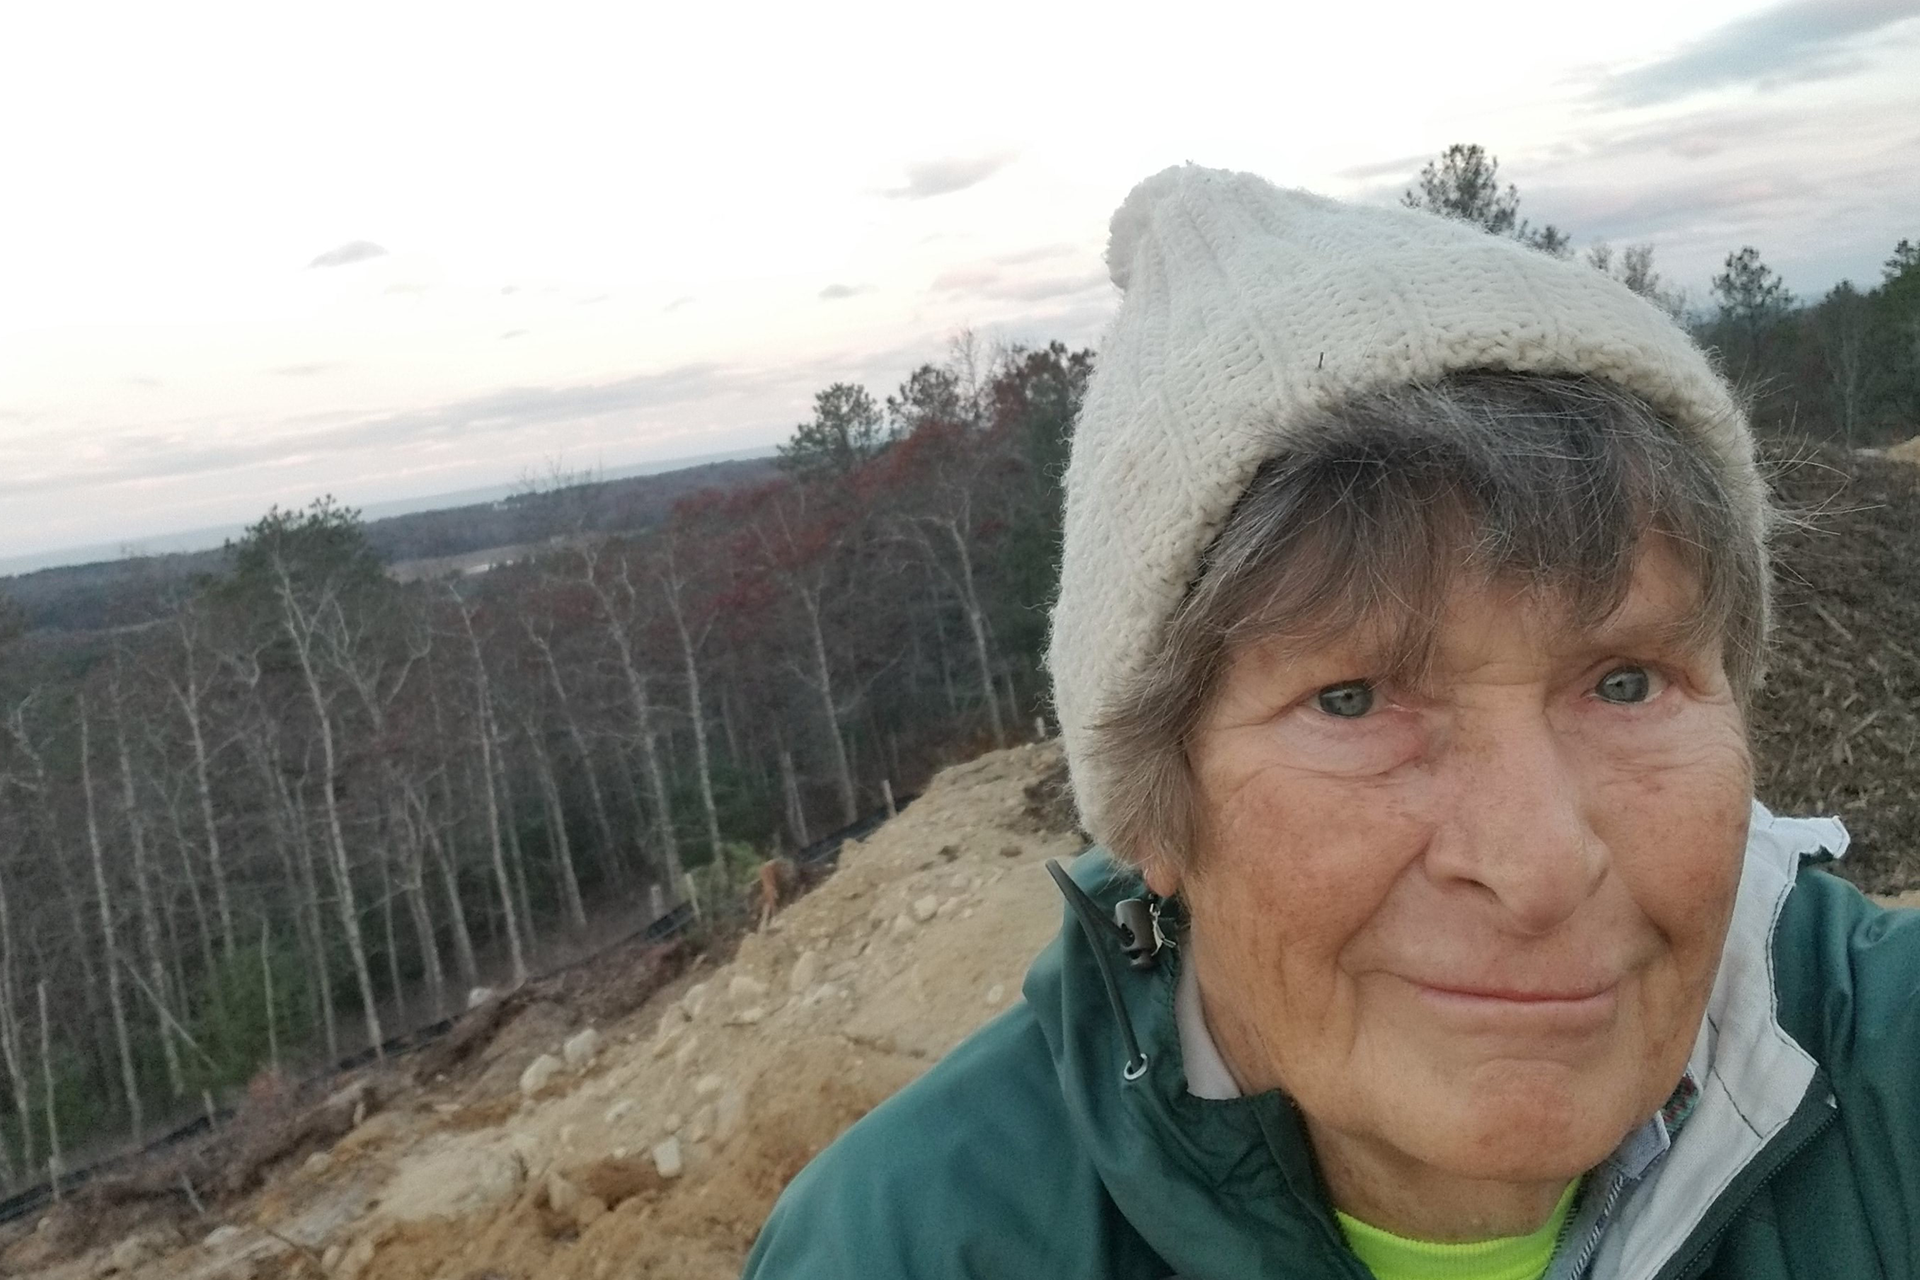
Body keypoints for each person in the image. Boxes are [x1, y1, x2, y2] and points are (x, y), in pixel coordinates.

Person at [741, 166, 1920, 1279]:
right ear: (1160, 802)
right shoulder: (906, 1245)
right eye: (1352, 699)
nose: (1538, 863)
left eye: (1625, 682)